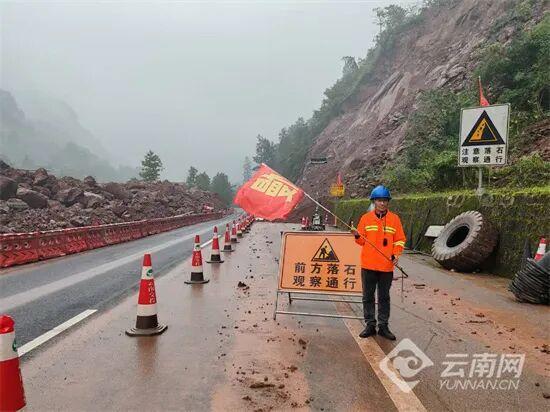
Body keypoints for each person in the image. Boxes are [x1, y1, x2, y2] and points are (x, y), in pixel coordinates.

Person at [352, 185, 405, 340]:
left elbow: (400, 240)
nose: (382, 203)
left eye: (385, 200)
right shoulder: (365, 218)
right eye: (379, 200)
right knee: (368, 297)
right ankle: (370, 324)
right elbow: (361, 241)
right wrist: (356, 235)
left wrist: (396, 253)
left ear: (388, 202)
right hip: (368, 265)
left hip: (386, 267)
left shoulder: (395, 219)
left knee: (384, 298)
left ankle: (383, 326)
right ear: (374, 201)